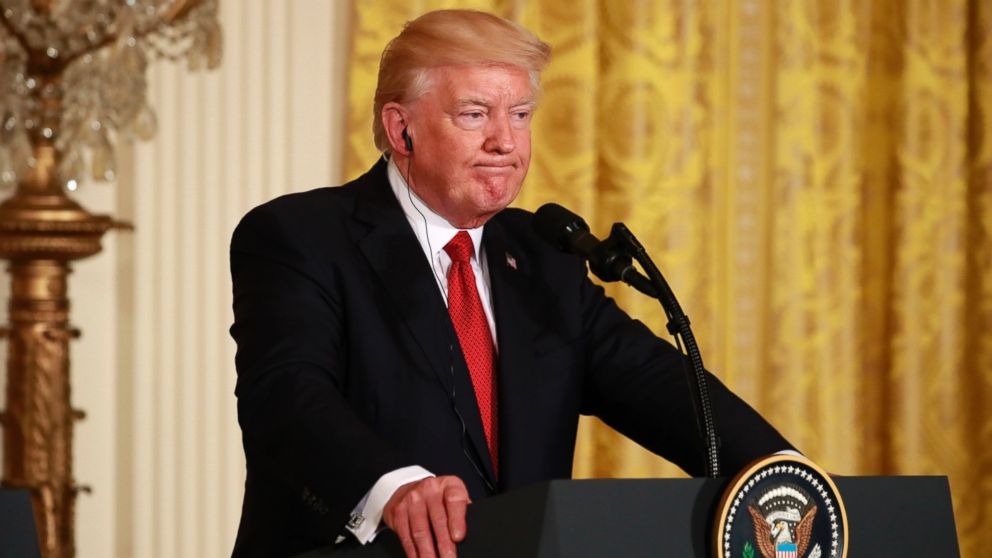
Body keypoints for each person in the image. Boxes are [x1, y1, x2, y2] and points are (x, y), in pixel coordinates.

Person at [229, 9, 794, 558]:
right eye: (475, 115)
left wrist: (788, 477)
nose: (506, 142)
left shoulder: (544, 255)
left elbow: (658, 386)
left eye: (520, 115)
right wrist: (392, 487)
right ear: (401, 129)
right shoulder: (301, 236)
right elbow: (286, 397)